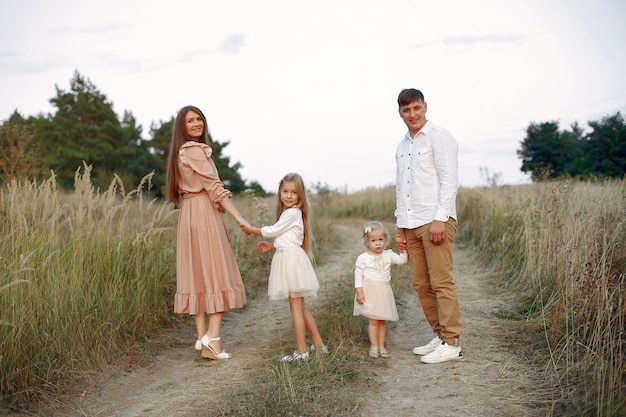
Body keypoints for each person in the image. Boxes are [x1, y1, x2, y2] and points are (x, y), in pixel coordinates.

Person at [166, 105, 249, 360]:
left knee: (197, 274)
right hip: (203, 211)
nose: (196, 123)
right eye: (190, 120)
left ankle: (202, 338)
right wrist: (239, 218)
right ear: (182, 126)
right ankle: (213, 338)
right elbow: (215, 187)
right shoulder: (195, 150)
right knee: (216, 270)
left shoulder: (180, 153)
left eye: (199, 119)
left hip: (188, 212)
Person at [393, 88, 463, 364]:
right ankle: (440, 335)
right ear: (400, 112)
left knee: (441, 281)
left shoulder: (439, 137)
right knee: (421, 284)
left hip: (435, 221)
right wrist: (400, 225)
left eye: (416, 108)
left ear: (425, 107)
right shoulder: (402, 146)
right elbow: (401, 187)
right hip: (410, 223)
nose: (411, 114)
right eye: (406, 110)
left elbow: (449, 180)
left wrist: (440, 218)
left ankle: (452, 341)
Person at [241, 173, 326, 361]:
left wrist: (250, 229)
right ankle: (319, 346)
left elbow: (273, 230)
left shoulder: (292, 212)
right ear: (280, 192)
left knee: (295, 307)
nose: (288, 195)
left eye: (293, 192)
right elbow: (287, 238)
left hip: (291, 261)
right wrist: (272, 246)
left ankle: (302, 352)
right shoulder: (292, 213)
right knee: (300, 307)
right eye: (285, 191)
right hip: (290, 257)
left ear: (300, 195)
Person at [353, 221, 407, 358]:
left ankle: (381, 346)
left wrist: (403, 249)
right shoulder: (363, 258)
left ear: (385, 240)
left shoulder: (388, 254)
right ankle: (374, 346)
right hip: (369, 291)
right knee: (373, 320)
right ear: (367, 242)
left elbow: (402, 261)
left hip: (383, 291)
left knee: (382, 320)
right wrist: (359, 292)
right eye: (373, 240)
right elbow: (358, 275)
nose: (377, 243)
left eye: (380, 240)